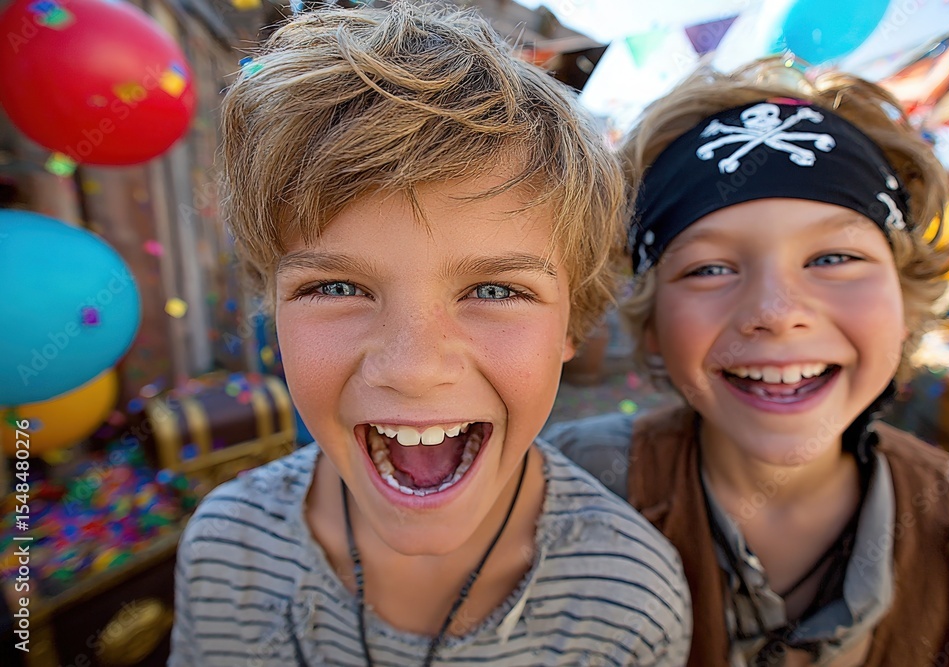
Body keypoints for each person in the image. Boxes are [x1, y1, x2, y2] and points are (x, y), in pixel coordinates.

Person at [168, 4, 691, 666]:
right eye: (336, 288)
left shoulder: (628, 600)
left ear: (573, 321)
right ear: (272, 304)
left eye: (496, 290)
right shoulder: (226, 550)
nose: (413, 367)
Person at [543, 59, 949, 666]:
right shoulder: (554, 497)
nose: (776, 313)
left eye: (834, 257)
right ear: (652, 328)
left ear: (906, 302)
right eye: (709, 268)